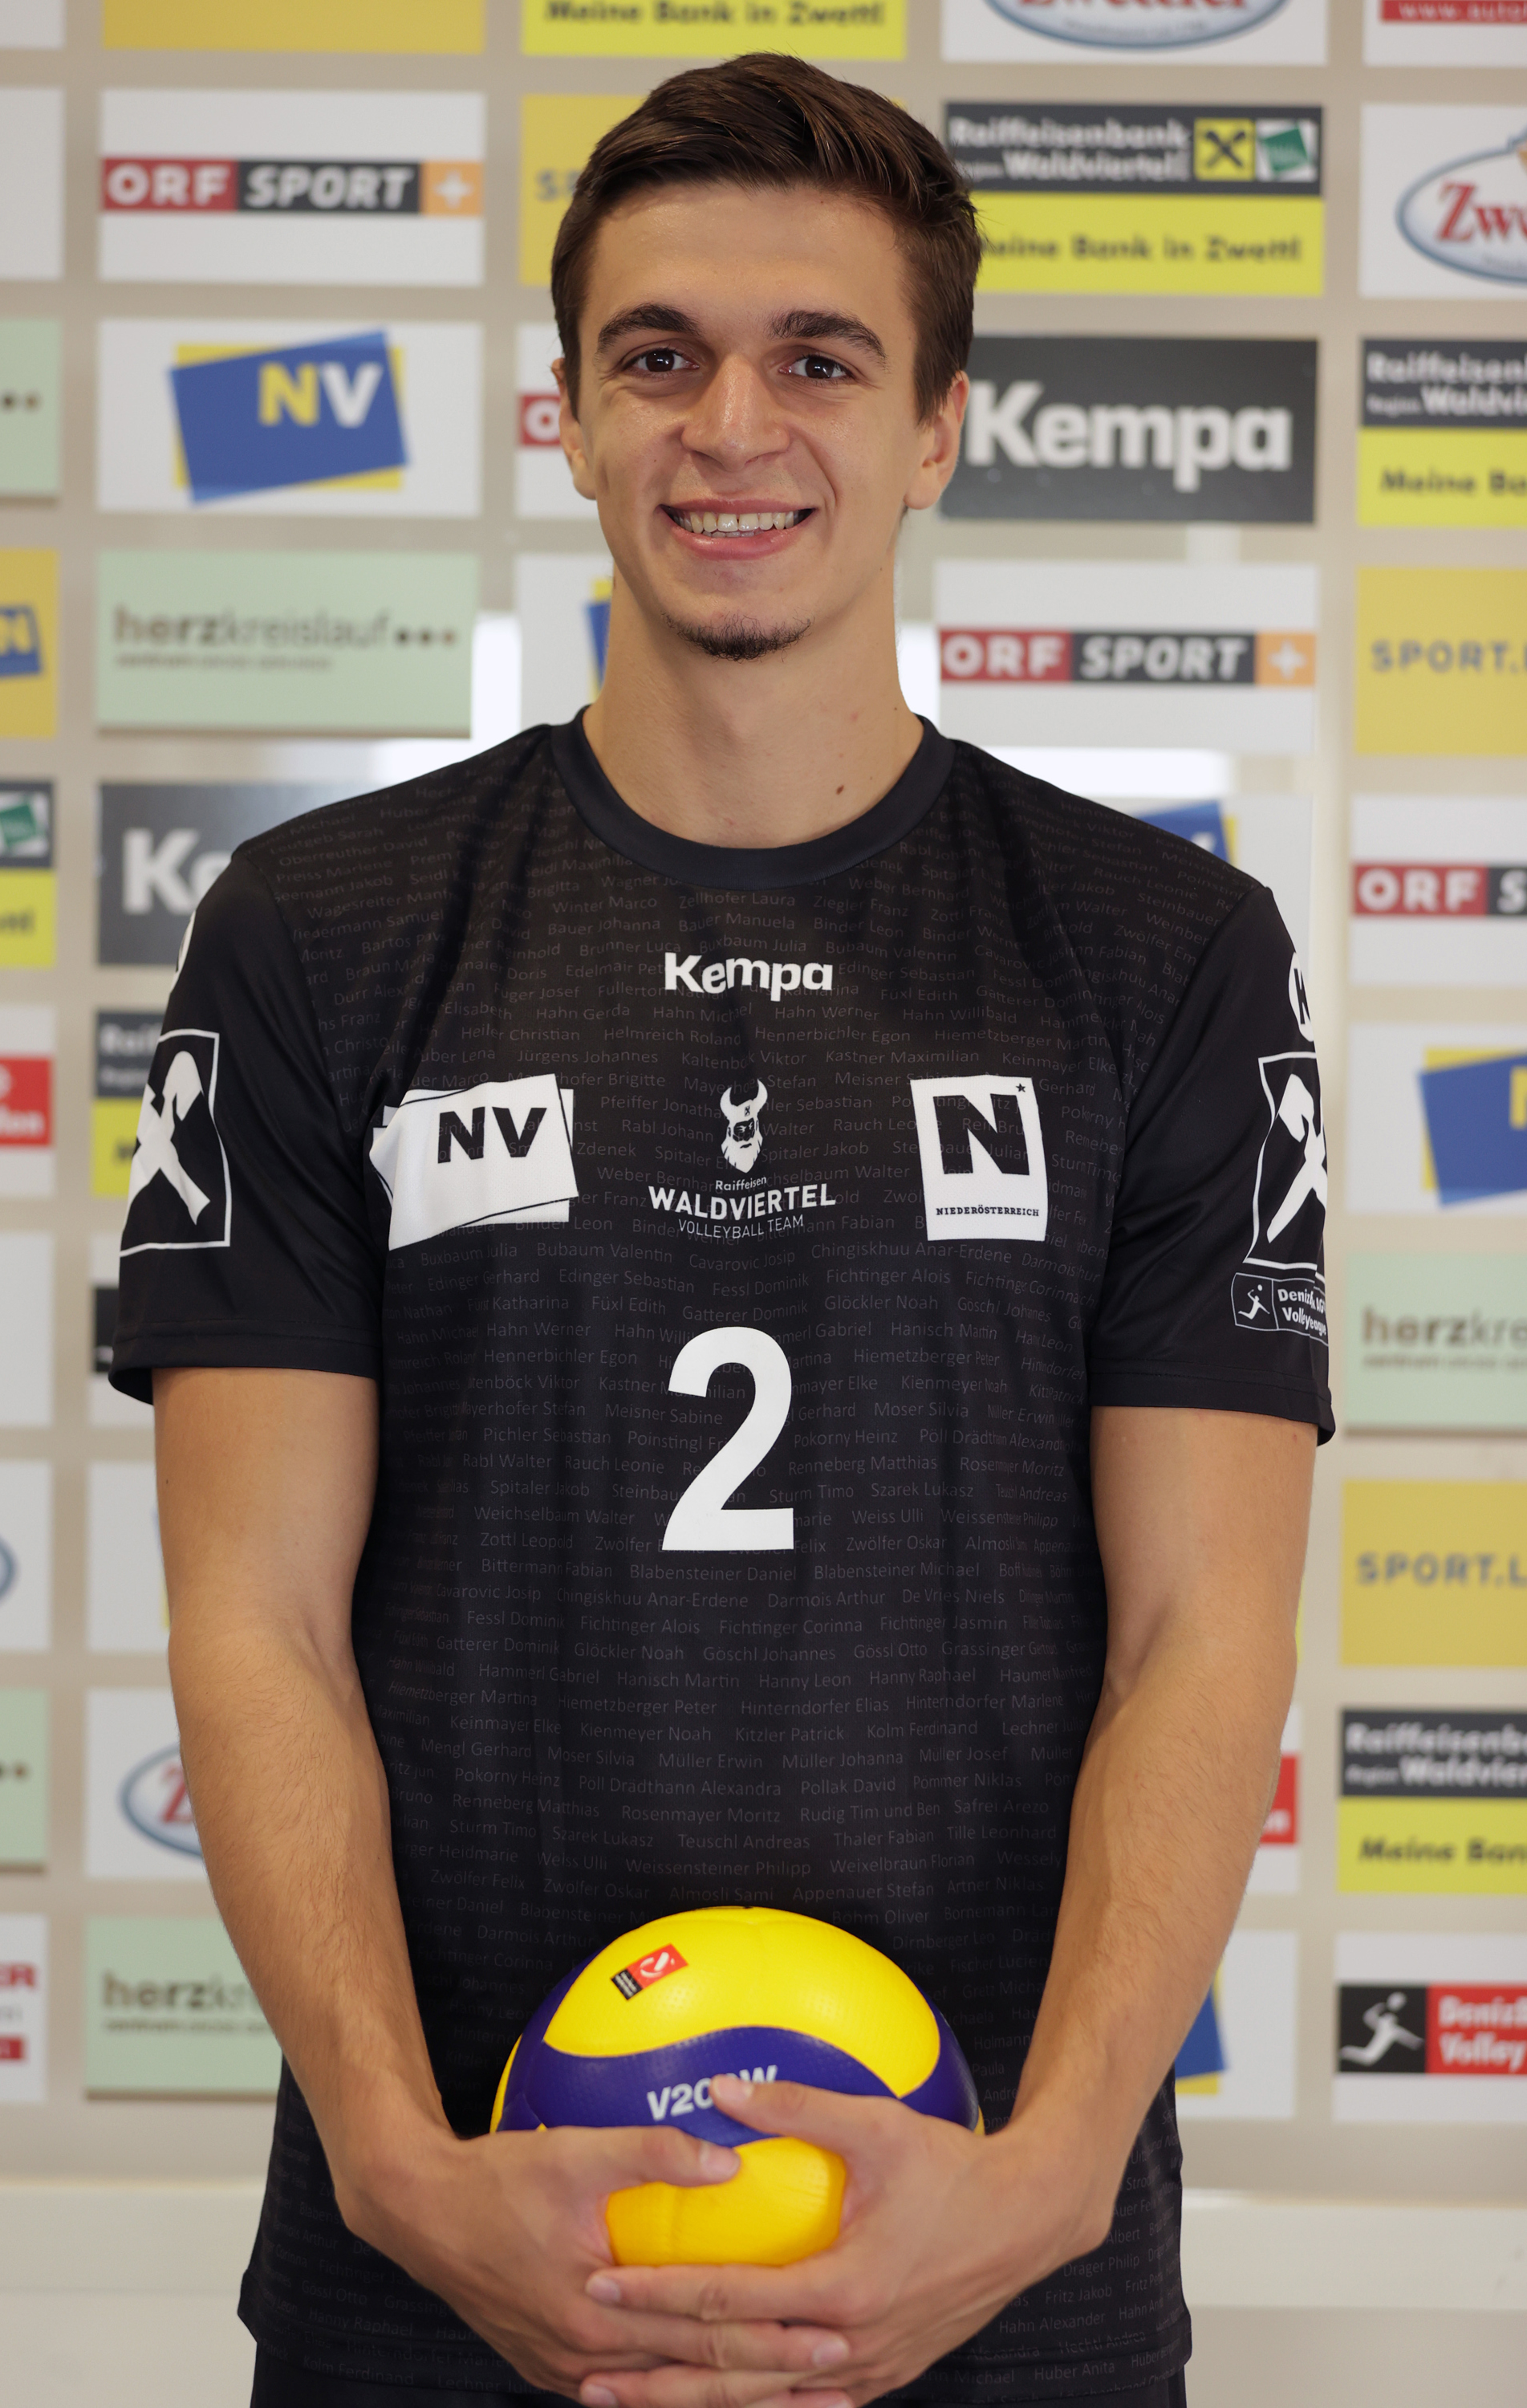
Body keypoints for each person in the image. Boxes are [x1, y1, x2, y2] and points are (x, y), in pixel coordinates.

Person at [112, 51, 1330, 2408]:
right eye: (658, 356)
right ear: (567, 416)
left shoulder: (1167, 953)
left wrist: (1057, 2178)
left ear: (942, 424)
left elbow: (1207, 1626)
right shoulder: (314, 932)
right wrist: (396, 2165)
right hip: (449, 2268)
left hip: (993, 2275)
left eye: (821, 360)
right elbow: (254, 1618)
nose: (730, 427)